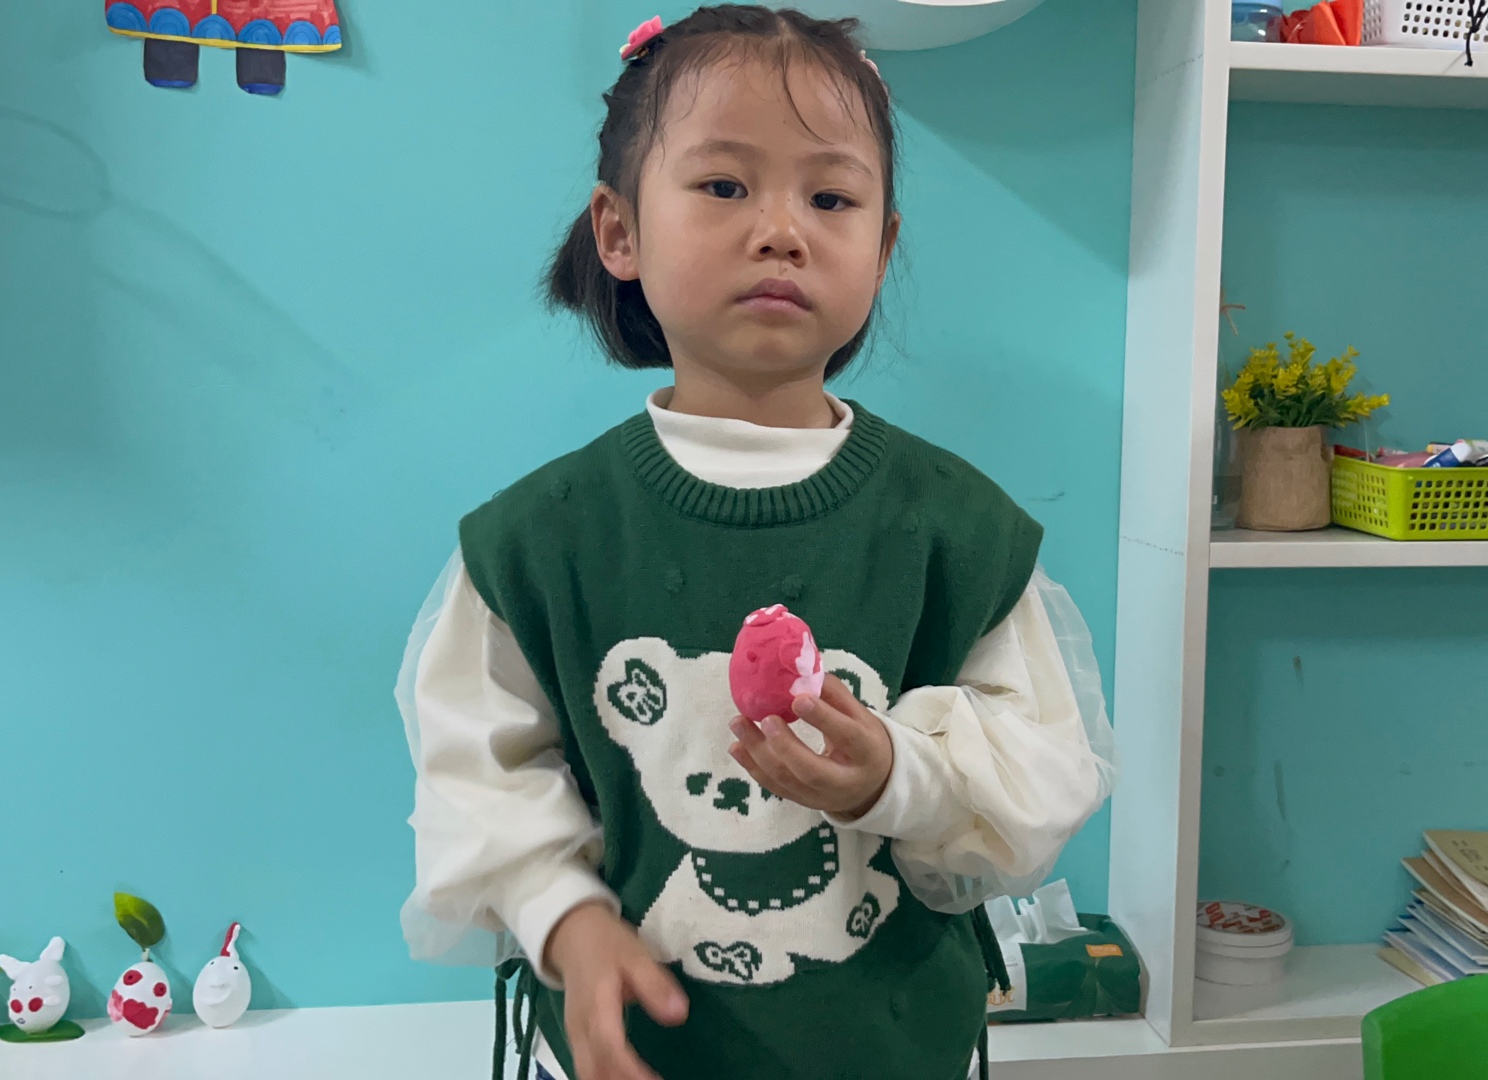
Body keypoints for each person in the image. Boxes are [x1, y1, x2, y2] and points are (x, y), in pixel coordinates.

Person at [395, 8, 1115, 1079]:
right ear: (619, 231)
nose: (782, 230)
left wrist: (899, 775)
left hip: (897, 1050)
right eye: (725, 185)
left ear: (883, 247)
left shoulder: (957, 529)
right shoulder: (539, 543)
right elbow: (476, 775)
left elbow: (1043, 771)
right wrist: (564, 919)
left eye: (830, 198)